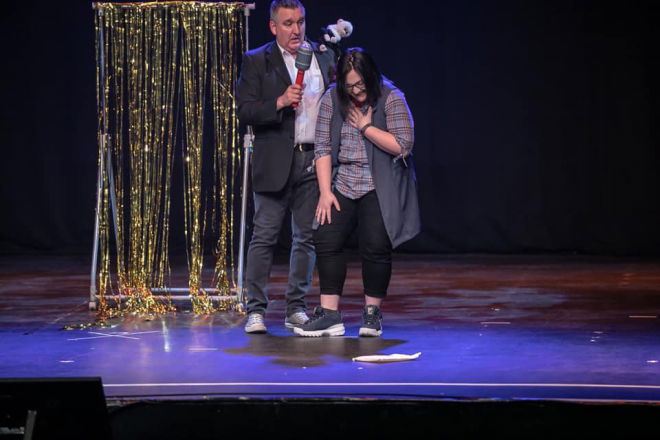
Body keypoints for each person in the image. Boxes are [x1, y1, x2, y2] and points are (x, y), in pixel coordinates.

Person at [293, 47, 420, 337]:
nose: (356, 91)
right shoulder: (332, 98)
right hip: (345, 180)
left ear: (371, 77)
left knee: (375, 244)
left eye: (360, 84)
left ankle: (372, 314)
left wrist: (366, 127)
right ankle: (329, 314)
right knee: (326, 235)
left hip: (380, 182)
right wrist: (326, 192)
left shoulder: (391, 97)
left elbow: (403, 145)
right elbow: (323, 147)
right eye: (349, 86)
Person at [237, 0, 335, 333]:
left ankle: (296, 308)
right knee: (264, 237)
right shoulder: (256, 60)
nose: (297, 30)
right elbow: (244, 110)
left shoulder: (322, 56)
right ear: (273, 27)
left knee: (306, 238)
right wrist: (279, 102)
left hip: (313, 160)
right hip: (275, 160)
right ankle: (256, 310)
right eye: (288, 23)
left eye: (301, 22)